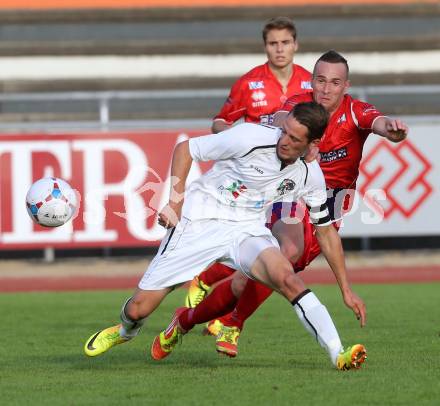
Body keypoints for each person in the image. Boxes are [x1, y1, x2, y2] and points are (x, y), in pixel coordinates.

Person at [84, 101, 367, 371]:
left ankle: (338, 353)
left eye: (294, 139)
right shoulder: (249, 137)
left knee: (286, 277)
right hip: (198, 222)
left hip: (246, 228)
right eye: (285, 131)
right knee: (137, 309)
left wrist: (346, 289)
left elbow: (326, 231)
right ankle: (124, 331)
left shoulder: (310, 175)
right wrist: (174, 204)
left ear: (313, 145)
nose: (284, 141)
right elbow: (186, 149)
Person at [185, 50, 409, 358]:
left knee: (251, 279)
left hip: (330, 204)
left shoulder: (355, 111)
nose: (326, 89)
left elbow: (379, 122)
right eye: (320, 80)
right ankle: (233, 323)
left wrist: (392, 131)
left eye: (334, 82)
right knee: (286, 254)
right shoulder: (299, 107)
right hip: (290, 193)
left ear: (346, 85)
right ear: (312, 81)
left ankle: (191, 312)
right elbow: (281, 119)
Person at [185, 15, 312, 308]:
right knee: (249, 243)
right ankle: (210, 290)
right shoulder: (249, 82)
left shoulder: (309, 83)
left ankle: (225, 311)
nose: (279, 49)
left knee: (288, 251)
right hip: (253, 181)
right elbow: (220, 121)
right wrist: (235, 136)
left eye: (285, 43)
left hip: (287, 180)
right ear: (265, 47)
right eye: (273, 44)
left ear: (295, 45)